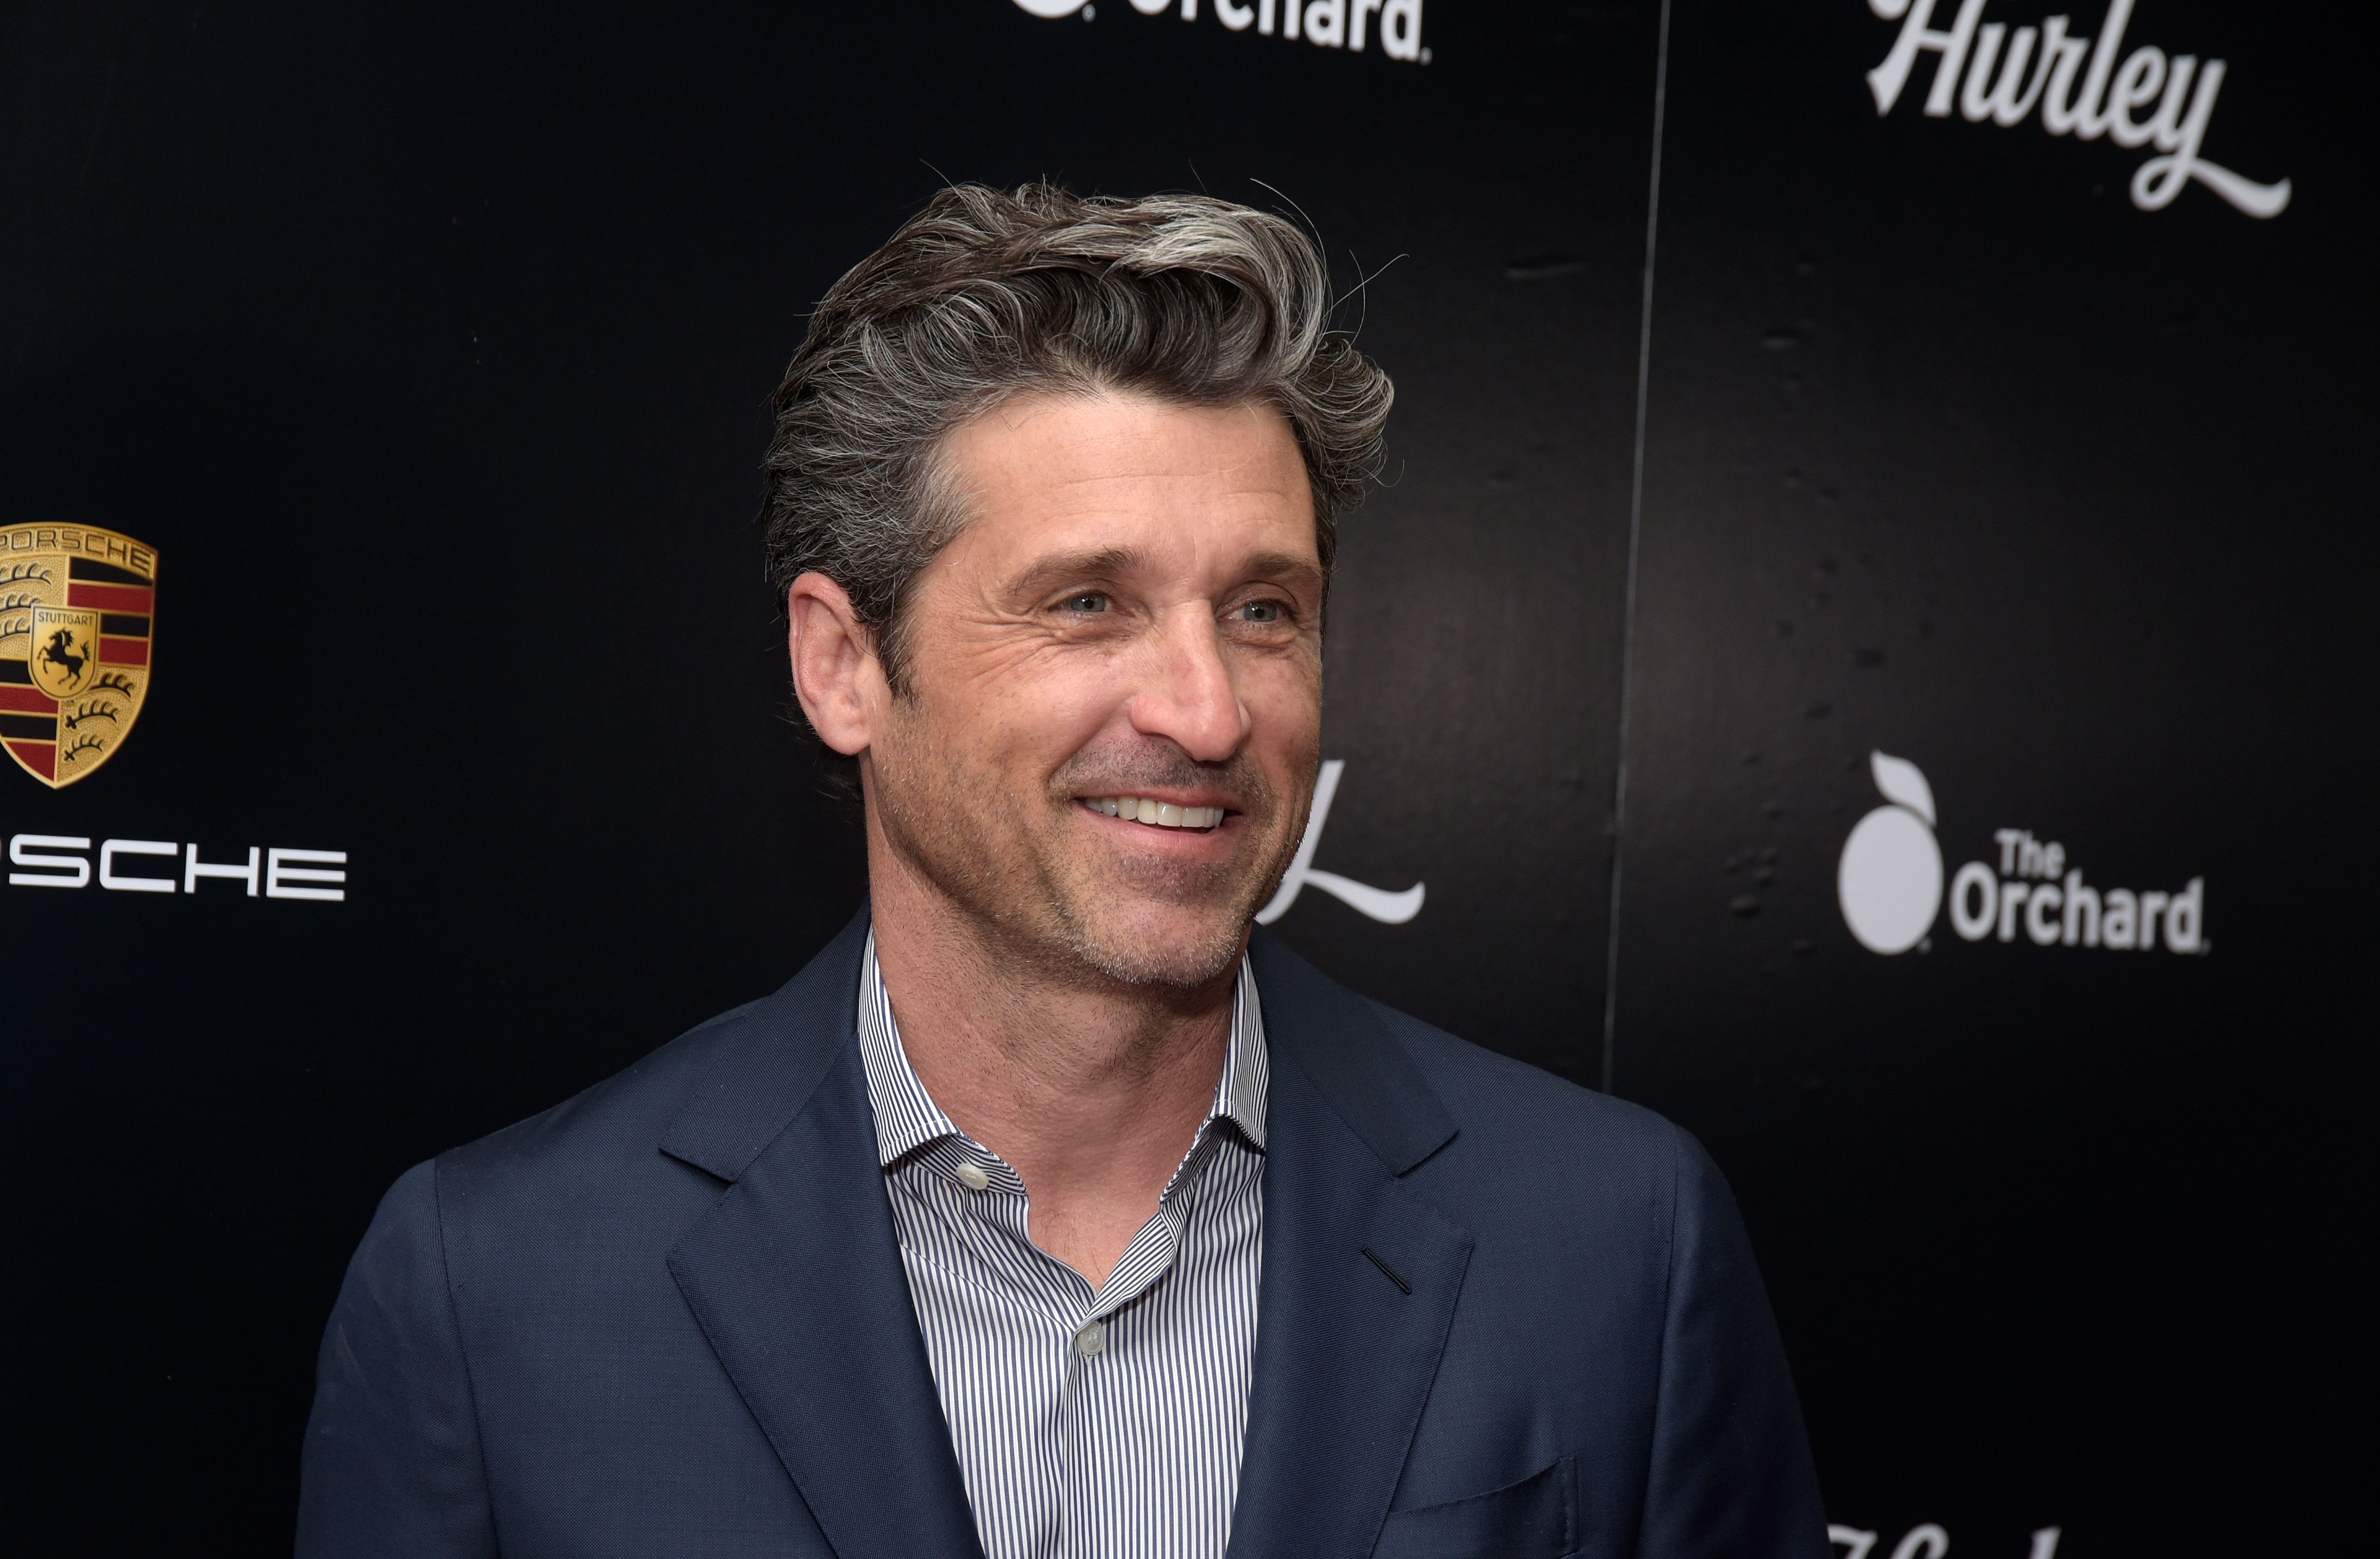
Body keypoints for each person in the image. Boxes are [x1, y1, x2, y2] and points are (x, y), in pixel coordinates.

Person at [297, 184, 1829, 1558]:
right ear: (844, 667)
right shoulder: (499, 1293)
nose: (1209, 710)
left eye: (1264, 610)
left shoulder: (1615, 1244)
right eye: (1090, 603)